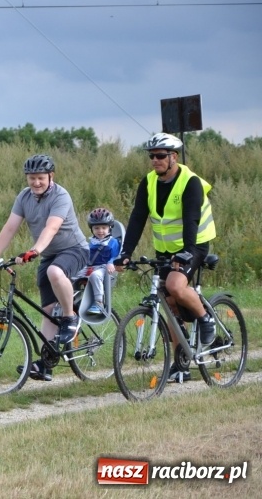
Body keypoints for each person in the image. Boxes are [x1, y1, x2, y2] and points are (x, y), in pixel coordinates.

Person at [117, 133, 217, 383]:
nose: (155, 160)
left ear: (174, 157)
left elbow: (192, 219)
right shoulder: (149, 182)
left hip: (194, 244)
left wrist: (187, 252)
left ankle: (206, 319)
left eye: (160, 156)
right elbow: (138, 217)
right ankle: (181, 361)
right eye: (151, 156)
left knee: (175, 285)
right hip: (165, 249)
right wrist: (125, 253)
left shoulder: (189, 182)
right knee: (169, 302)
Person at [0, 154, 89, 382]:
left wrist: (35, 250)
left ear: (51, 176)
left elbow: (51, 227)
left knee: (54, 272)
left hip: (74, 249)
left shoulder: (61, 196)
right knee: (48, 311)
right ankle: (46, 364)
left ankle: (70, 318)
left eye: (40, 178)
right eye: (31, 178)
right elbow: (10, 227)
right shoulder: (23, 197)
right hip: (49, 254)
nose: (36, 183)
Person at [80, 208, 121, 315]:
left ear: (109, 228)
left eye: (104, 228)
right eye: (97, 228)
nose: (100, 231)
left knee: (95, 276)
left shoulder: (113, 242)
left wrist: (111, 262)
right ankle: (73, 299)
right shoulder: (91, 242)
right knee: (73, 275)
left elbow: (116, 255)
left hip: (104, 268)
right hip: (91, 267)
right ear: (92, 229)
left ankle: (99, 303)